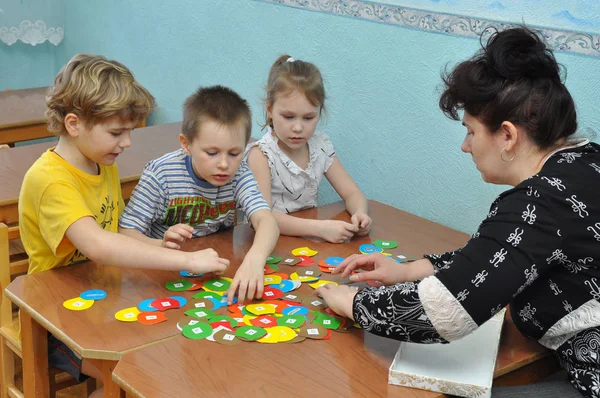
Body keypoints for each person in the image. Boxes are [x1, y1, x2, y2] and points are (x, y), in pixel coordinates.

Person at [317, 27, 598, 398]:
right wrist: (410, 270)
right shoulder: (586, 158)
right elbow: (503, 257)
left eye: (470, 132)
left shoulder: (537, 202)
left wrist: (351, 302)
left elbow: (443, 314)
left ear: (508, 135)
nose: (465, 147)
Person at [19, 55, 229, 397]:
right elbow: (100, 245)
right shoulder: (50, 180)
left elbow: (116, 233)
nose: (127, 142)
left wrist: (158, 244)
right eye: (117, 132)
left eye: (129, 131)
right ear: (74, 124)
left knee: (153, 361)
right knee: (131, 374)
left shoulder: (102, 162)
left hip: (101, 295)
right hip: (52, 319)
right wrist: (186, 261)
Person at [119, 85, 279, 305]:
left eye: (234, 153)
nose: (224, 164)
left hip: (212, 272)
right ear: (186, 145)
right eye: (212, 153)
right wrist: (160, 244)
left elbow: (267, 220)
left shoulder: (239, 171)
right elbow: (126, 234)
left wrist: (255, 259)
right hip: (162, 276)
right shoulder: (161, 174)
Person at [246, 55, 372, 244]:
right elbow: (264, 218)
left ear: (319, 112)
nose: (298, 128)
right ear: (270, 109)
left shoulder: (320, 146)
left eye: (308, 118)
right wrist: (320, 229)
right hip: (271, 244)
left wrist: (360, 214)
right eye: (289, 117)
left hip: (308, 244)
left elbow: (353, 194)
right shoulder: (261, 155)